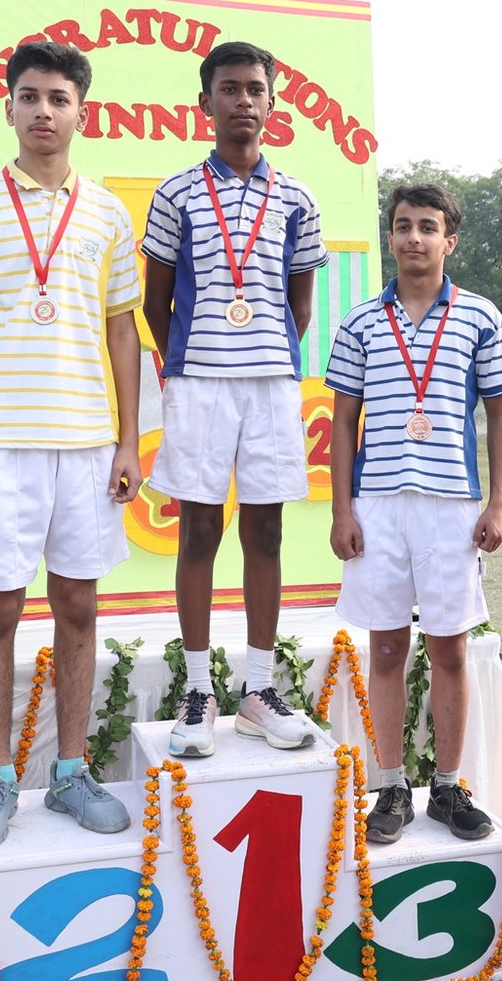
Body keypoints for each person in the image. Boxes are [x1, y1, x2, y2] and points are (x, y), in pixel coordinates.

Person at [0, 39, 141, 848]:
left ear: (82, 112)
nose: (43, 111)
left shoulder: (108, 212)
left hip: (86, 442)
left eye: (58, 98)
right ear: (8, 106)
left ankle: (72, 771)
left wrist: (127, 441)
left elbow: (122, 332)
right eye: (29, 96)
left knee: (79, 604)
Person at [141, 40, 325, 757]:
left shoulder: (297, 198)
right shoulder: (176, 194)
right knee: (197, 531)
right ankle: (197, 691)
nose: (243, 100)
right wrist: (192, 363)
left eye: (255, 88)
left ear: (272, 103)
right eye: (229, 88)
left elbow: (299, 305)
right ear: (205, 103)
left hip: (271, 383)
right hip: (199, 382)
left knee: (266, 532)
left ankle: (258, 690)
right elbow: (156, 302)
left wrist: (263, 353)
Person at [326, 182, 502, 843]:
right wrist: (341, 510)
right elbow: (342, 421)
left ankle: (448, 785)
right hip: (377, 506)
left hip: (451, 506)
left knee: (450, 649)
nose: (414, 237)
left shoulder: (481, 317)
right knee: (385, 648)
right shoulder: (359, 321)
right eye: (404, 225)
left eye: (427, 226)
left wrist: (498, 502)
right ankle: (389, 787)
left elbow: (501, 415)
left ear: (448, 240)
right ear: (391, 236)